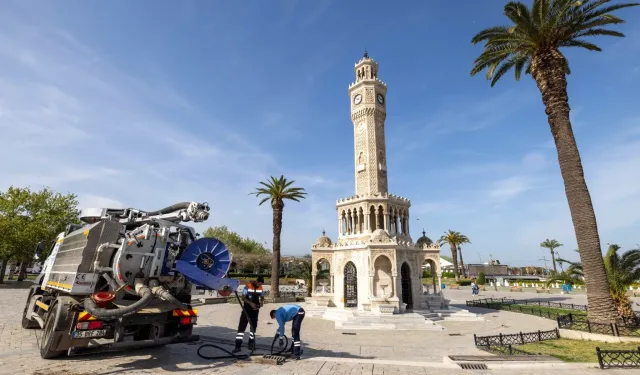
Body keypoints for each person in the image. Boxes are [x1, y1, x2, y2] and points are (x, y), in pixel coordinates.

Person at [232, 276, 265, 353]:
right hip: (246, 310)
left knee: (253, 328)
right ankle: (238, 346)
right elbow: (243, 298)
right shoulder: (248, 286)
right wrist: (251, 303)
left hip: (255, 311)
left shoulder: (260, 287)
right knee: (241, 328)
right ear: (257, 281)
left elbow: (262, 296)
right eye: (259, 283)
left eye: (261, 284)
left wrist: (262, 303)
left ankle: (251, 344)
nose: (260, 285)